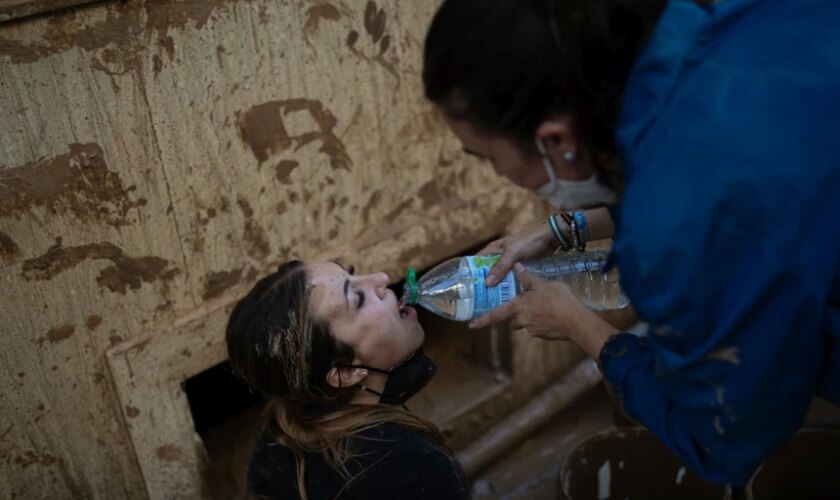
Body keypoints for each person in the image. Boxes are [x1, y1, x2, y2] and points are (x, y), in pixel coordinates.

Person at [421, 0, 840, 488]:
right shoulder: (719, 22)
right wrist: (564, 228)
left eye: (487, 157)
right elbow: (744, 187)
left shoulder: (675, 243)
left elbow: (725, 441)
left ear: (554, 140)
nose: (497, 173)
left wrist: (577, 324)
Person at [225, 260, 469, 499]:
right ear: (345, 373)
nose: (382, 277)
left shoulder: (280, 424)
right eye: (358, 300)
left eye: (352, 274)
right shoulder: (414, 471)